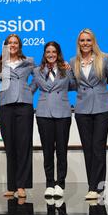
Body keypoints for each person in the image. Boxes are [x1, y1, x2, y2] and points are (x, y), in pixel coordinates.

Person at [69, 28, 108, 200]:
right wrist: (66, 71)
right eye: (82, 40)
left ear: (93, 41)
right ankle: (92, 186)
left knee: (98, 147)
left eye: (88, 40)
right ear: (78, 43)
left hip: (102, 107)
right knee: (88, 148)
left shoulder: (104, 58)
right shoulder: (73, 61)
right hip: (82, 109)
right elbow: (72, 85)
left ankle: (98, 186)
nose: (85, 43)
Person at [30, 41, 76, 199]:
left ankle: (60, 184)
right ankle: (49, 183)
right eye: (48, 52)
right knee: (47, 151)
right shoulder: (37, 71)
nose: (51, 54)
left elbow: (74, 85)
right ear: (44, 54)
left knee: (62, 150)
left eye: (54, 52)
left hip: (63, 113)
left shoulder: (66, 68)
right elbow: (31, 89)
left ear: (58, 53)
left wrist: (70, 72)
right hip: (43, 114)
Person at [0, 34, 35, 199]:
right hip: (5, 106)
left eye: (15, 43)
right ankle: (12, 185)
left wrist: (29, 90)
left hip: (24, 105)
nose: (12, 45)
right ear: (5, 46)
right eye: (9, 43)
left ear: (19, 45)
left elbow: (40, 77)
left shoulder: (29, 61)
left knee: (24, 146)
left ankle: (22, 185)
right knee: (10, 146)